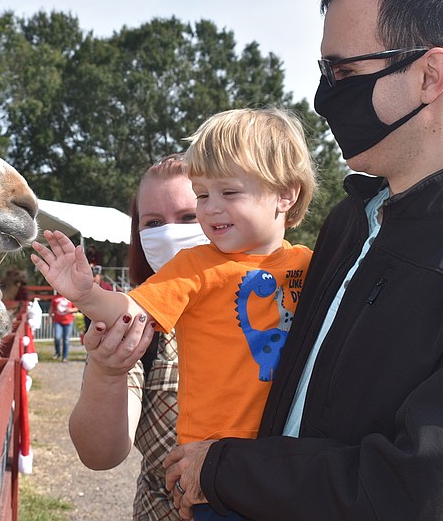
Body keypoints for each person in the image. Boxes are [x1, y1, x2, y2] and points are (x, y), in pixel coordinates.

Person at [162, 0, 443, 520]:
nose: (323, 96)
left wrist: (225, 471)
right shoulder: (353, 221)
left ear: (431, 76)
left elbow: (413, 494)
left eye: (344, 74)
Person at [32, 107, 317, 521]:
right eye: (202, 197)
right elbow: (126, 311)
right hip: (209, 486)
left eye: (226, 194)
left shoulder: (311, 266)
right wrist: (88, 295)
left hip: (287, 478)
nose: (211, 210)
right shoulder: (186, 277)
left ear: (284, 194)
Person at [68, 153, 210, 520]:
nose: (170, 232)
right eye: (153, 222)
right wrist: (107, 372)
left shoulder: (285, 303)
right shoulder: (133, 319)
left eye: (188, 217)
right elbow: (100, 455)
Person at [51, 291, 78, 361]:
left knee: (66, 339)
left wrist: (71, 310)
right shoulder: (55, 298)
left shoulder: (70, 297)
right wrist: (49, 316)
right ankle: (57, 352)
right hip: (58, 321)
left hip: (68, 321)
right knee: (57, 337)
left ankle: (65, 356)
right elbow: (52, 308)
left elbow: (76, 308)